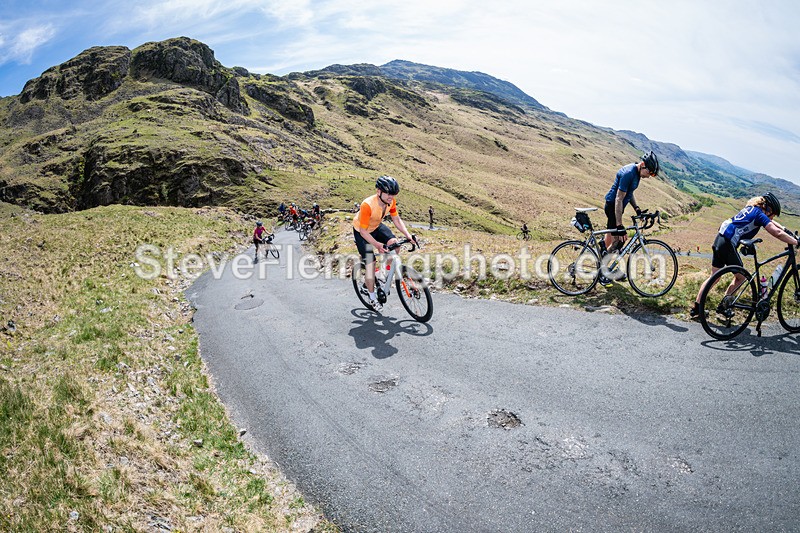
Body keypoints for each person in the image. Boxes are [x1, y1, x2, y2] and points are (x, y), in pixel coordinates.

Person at [689, 193, 798, 319]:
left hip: (720, 238)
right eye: (773, 214)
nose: (772, 217)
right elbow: (777, 232)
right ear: (768, 209)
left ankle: (696, 308)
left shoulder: (752, 208)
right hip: (728, 243)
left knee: (714, 277)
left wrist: (787, 231)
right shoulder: (759, 215)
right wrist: (796, 242)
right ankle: (724, 306)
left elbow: (773, 223)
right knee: (741, 277)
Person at [353, 175, 417, 310]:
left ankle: (383, 275)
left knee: (395, 244)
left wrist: (408, 235)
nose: (391, 197)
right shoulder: (367, 205)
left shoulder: (391, 202)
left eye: (393, 194)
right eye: (388, 193)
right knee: (371, 264)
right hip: (362, 232)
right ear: (379, 191)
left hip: (376, 226)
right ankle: (372, 297)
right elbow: (363, 232)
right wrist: (377, 245)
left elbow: (396, 219)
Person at [604, 151, 659, 252]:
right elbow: (619, 198)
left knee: (611, 235)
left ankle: (601, 254)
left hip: (617, 207)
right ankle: (604, 261)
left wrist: (637, 208)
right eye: (649, 172)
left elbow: (629, 192)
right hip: (613, 206)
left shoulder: (637, 173)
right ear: (642, 164)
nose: (649, 176)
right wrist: (619, 225)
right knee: (619, 240)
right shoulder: (629, 173)